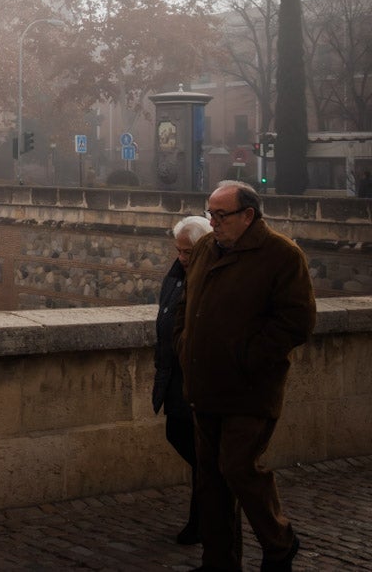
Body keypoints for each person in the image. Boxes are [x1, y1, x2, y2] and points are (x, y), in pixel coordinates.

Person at [174, 180, 316, 572]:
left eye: (221, 215)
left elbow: (296, 322)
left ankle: (279, 541)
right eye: (210, 214)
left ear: (248, 215)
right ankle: (219, 562)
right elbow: (187, 301)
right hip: (204, 385)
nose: (213, 222)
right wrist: (184, 343)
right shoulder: (205, 248)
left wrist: (246, 356)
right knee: (210, 481)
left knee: (238, 468)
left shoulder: (281, 255)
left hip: (250, 389)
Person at [153, 214, 211, 545]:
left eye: (187, 252)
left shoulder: (211, 278)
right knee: (180, 436)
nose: (181, 258)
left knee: (205, 457)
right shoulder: (176, 277)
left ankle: (202, 521)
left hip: (200, 380)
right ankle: (204, 515)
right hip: (175, 375)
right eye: (178, 250)